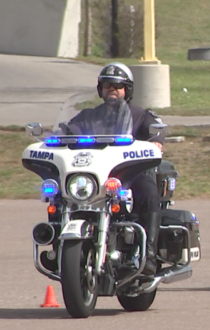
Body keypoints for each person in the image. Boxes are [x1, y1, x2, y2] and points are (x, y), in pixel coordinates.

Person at [66, 62, 165, 275]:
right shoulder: (88, 116)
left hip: (129, 174)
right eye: (107, 85)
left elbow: (155, 129)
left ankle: (148, 253)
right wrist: (55, 137)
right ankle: (60, 244)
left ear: (126, 90)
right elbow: (68, 130)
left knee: (148, 191)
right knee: (58, 194)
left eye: (118, 86)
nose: (112, 89)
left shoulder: (140, 115)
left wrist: (156, 140)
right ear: (100, 89)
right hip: (95, 176)